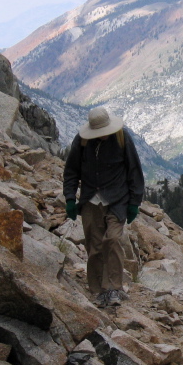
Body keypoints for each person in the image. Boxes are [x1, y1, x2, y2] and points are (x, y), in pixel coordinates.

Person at [63, 106, 144, 308]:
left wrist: (134, 202)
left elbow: (134, 170)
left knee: (113, 239)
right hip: (90, 200)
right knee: (95, 246)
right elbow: (71, 170)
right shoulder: (81, 142)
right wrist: (70, 199)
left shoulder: (121, 137)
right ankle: (98, 290)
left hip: (117, 199)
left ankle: (114, 288)